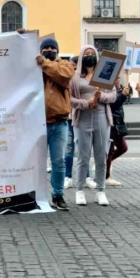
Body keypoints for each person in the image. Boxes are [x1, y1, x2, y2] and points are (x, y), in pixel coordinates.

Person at [70, 46, 116, 206]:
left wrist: (101, 96)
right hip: (82, 118)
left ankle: (101, 190)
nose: (89, 56)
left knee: (101, 156)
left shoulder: (105, 75)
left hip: (101, 117)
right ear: (82, 57)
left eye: (92, 54)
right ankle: (80, 190)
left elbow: (113, 96)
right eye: (86, 54)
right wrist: (84, 103)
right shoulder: (74, 78)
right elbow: (69, 99)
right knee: (83, 156)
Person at [33, 37, 73, 211]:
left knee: (58, 162)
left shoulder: (65, 65)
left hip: (59, 123)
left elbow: (64, 76)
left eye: (52, 47)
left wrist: (44, 64)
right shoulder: (34, 65)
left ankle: (57, 195)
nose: (49, 50)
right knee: (35, 162)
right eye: (45, 47)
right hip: (36, 123)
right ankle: (35, 195)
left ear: (57, 50)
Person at [105, 78, 130, 187]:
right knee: (109, 150)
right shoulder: (108, 89)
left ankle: (102, 165)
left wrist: (125, 93)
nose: (118, 80)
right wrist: (123, 95)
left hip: (119, 123)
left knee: (122, 148)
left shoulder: (120, 88)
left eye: (119, 78)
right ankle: (106, 176)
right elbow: (113, 105)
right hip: (111, 122)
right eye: (115, 78)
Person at [63, 56, 78, 189]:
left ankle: (87, 177)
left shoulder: (82, 80)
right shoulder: (67, 78)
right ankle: (68, 176)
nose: (71, 67)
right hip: (69, 118)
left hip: (80, 118)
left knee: (82, 150)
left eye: (74, 65)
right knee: (68, 149)